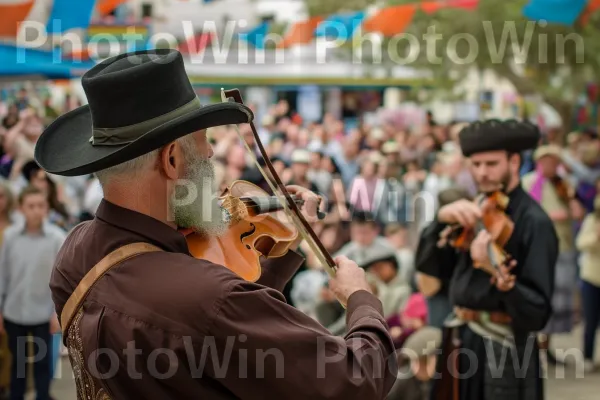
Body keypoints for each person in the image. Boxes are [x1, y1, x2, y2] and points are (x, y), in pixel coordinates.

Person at [34, 49, 397, 399]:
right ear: (172, 159)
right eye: (203, 140)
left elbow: (215, 332)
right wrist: (360, 300)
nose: (210, 153)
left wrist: (280, 244)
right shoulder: (210, 299)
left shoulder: (74, 253)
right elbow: (356, 381)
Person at [415, 119, 558, 400]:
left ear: (514, 162)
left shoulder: (534, 222)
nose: (482, 173)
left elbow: (538, 312)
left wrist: (499, 276)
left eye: (491, 164)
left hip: (503, 345)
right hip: (461, 338)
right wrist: (438, 222)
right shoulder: (476, 207)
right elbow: (432, 268)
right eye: (476, 164)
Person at [0, 186, 65, 400]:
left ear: (47, 208)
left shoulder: (57, 238)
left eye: (41, 206)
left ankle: (42, 396)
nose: (36, 211)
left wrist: (57, 313)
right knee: (17, 364)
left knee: (42, 365)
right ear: (20, 209)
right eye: (31, 206)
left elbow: (62, 281)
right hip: (14, 312)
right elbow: (3, 274)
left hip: (43, 314)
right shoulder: (10, 237)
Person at [575, 194, 600, 373]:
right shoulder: (592, 220)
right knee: (590, 320)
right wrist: (596, 238)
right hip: (591, 277)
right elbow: (581, 243)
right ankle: (588, 357)